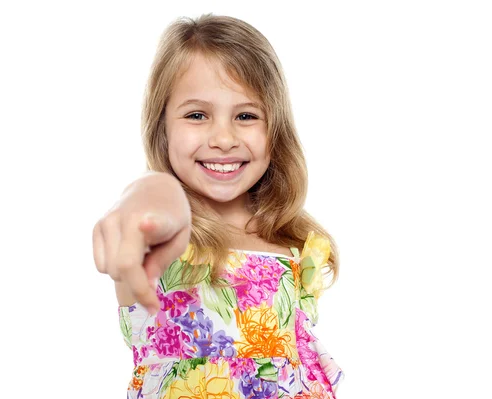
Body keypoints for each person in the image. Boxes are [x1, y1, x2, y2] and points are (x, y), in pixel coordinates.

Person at [92, 13, 344, 399]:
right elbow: (148, 201)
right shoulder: (163, 236)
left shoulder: (292, 248)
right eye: (197, 115)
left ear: (274, 130)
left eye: (246, 115)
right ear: (162, 127)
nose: (223, 138)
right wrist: (144, 199)